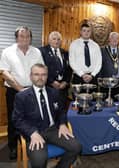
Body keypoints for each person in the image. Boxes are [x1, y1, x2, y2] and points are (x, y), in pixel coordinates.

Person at [12, 63, 82, 168]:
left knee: (76, 147)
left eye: (43, 74)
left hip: (53, 130)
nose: (40, 78)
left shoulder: (54, 93)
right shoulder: (22, 96)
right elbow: (17, 120)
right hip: (34, 132)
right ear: (31, 76)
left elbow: (61, 111)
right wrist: (32, 133)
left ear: (47, 76)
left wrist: (62, 124)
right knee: (39, 159)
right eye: (36, 74)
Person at [0, 26, 44, 160]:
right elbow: (4, 72)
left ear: (30, 38)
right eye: (21, 36)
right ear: (17, 38)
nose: (25, 39)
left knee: (32, 118)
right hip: (14, 91)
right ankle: (13, 147)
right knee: (14, 120)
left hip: (32, 90)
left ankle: (32, 144)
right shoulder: (8, 52)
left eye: (27, 36)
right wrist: (19, 88)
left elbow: (41, 69)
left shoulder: (36, 51)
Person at [39, 31, 71, 104]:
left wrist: (65, 82)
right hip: (48, 87)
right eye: (54, 39)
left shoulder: (65, 53)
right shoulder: (42, 51)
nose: (56, 41)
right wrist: (51, 82)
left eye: (58, 39)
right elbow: (41, 69)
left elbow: (69, 69)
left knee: (62, 111)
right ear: (49, 40)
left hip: (63, 89)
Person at [100, 32, 119, 97]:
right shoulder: (102, 51)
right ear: (109, 39)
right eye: (113, 38)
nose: (115, 40)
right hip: (106, 83)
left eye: (117, 38)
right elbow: (99, 66)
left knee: (117, 103)